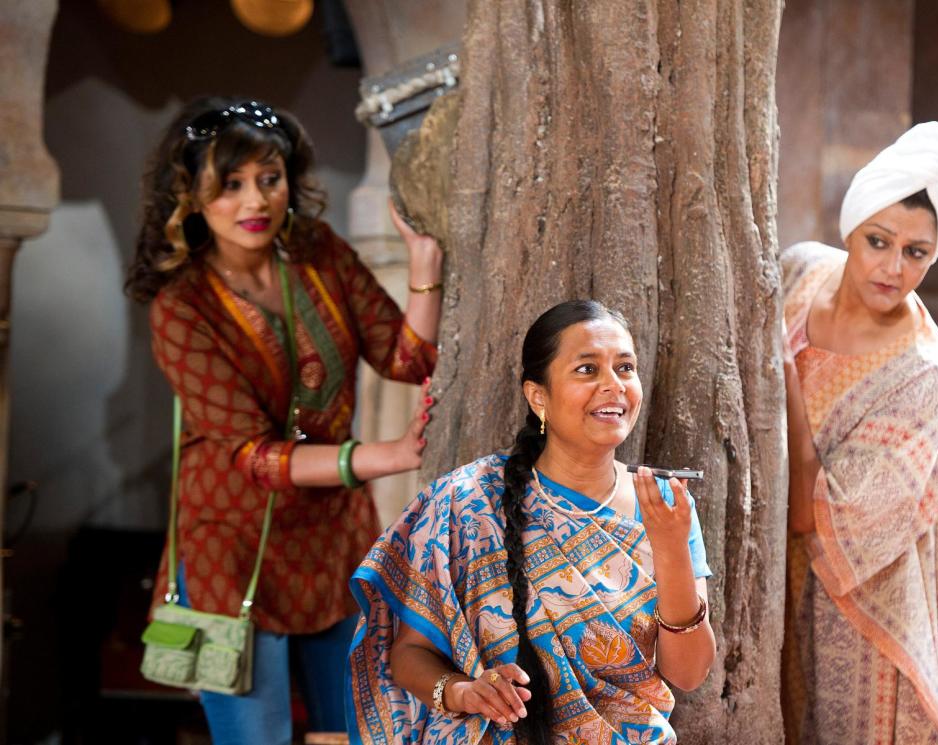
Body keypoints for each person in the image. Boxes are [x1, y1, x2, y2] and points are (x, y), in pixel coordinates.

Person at [125, 96, 443, 743]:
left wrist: (425, 265)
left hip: (334, 546)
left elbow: (405, 357)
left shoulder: (317, 252)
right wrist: (382, 455)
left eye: (269, 179)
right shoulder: (181, 309)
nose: (255, 202)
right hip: (229, 555)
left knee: (358, 732)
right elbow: (257, 456)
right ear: (190, 197)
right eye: (231, 185)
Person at [347, 300, 716, 744]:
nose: (613, 386)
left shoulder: (665, 507)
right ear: (538, 396)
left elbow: (688, 674)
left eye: (625, 367)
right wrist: (464, 692)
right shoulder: (467, 503)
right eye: (586, 370)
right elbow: (409, 654)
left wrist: (673, 549)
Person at [780, 122, 938, 745]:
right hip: (767, 583)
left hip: (860, 611)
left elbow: (811, 516)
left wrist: (784, 376)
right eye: (878, 240)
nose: (892, 268)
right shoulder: (801, 272)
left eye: (916, 253)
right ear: (852, 226)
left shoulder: (923, 376)